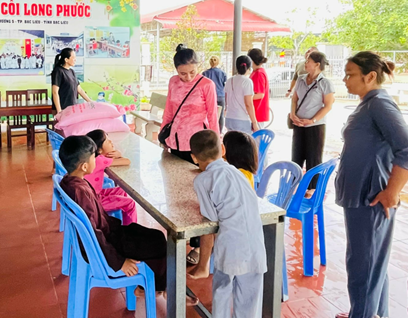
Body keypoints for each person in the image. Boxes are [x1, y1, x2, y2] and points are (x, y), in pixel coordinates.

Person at [59, 135, 199, 306]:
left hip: (112, 233)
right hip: (110, 244)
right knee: (160, 243)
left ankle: (151, 287)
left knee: (155, 236)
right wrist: (119, 262)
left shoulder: (71, 182)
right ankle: (168, 290)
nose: (98, 159)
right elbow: (94, 234)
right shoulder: (80, 191)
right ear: (85, 166)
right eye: (94, 157)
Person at [335, 52, 408, 318]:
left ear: (370, 76)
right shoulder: (368, 103)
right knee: (371, 269)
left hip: (370, 200)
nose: (345, 80)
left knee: (364, 271)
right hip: (359, 199)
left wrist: (392, 192)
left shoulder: (379, 104)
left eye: (350, 74)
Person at [187, 129, 267, 318]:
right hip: (255, 243)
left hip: (230, 245)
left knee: (222, 290)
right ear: (222, 149)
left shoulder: (203, 180)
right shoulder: (239, 173)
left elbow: (209, 224)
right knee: (250, 300)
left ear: (194, 157)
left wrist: (203, 265)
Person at [160, 44, 219, 163]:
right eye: (183, 73)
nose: (188, 77)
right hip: (176, 139)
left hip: (198, 141)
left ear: (198, 66)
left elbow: (213, 115)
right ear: (176, 69)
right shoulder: (173, 81)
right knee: (174, 176)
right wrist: (163, 134)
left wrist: (216, 143)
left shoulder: (207, 84)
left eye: (192, 72)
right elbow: (169, 111)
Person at [290, 51, 335, 193]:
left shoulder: (325, 83)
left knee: (313, 157)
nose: (306, 63)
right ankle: (293, 185)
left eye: (308, 61)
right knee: (296, 155)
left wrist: (312, 120)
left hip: (315, 126)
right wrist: (293, 114)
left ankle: (312, 189)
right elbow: (294, 99)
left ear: (317, 64)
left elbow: (328, 105)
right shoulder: (301, 79)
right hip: (299, 124)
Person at [85, 130, 137, 225]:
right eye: (107, 141)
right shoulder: (100, 160)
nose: (111, 142)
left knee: (121, 191)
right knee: (130, 203)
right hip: (94, 203)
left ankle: (125, 223)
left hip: (90, 197)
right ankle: (131, 230)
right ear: (99, 150)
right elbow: (127, 161)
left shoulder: (91, 158)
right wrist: (119, 155)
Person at [51, 47, 93, 113]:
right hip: (62, 109)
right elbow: (55, 92)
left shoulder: (72, 71)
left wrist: (90, 102)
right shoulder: (58, 71)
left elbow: (79, 90)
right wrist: (59, 111)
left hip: (72, 108)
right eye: (73, 57)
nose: (75, 60)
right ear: (66, 59)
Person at [225, 55, 259, 134]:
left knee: (231, 144)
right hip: (241, 119)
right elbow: (248, 104)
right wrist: (254, 122)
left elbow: (226, 100)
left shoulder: (229, 81)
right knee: (244, 144)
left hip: (229, 118)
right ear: (248, 67)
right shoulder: (247, 81)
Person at [202, 56, 227, 133]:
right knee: (221, 116)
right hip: (221, 95)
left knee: (210, 115)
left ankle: (210, 131)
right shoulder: (223, 73)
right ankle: (219, 132)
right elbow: (224, 85)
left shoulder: (205, 73)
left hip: (209, 97)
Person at [247, 48, 270, 129]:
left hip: (257, 112)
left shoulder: (259, 73)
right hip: (255, 111)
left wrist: (246, 98)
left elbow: (260, 94)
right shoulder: (256, 72)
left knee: (256, 139)